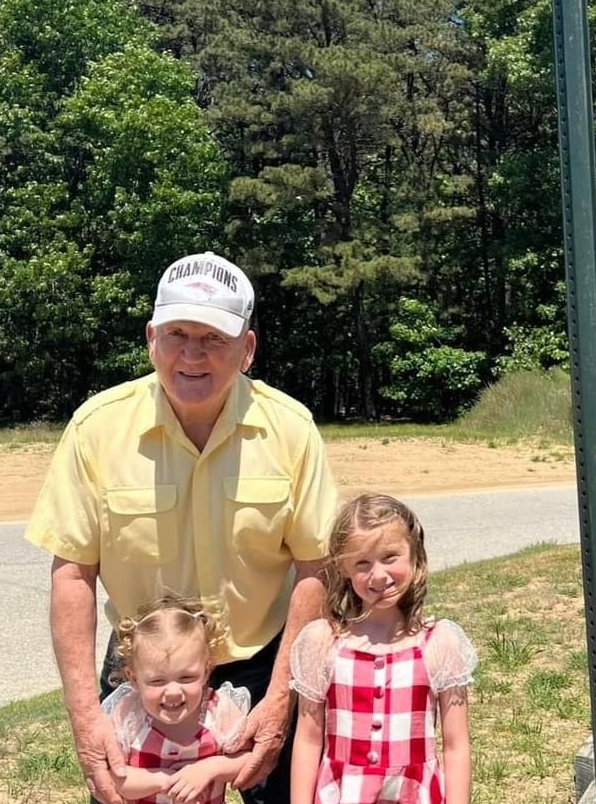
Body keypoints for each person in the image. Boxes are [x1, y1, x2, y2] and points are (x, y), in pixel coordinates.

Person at [26, 250, 338, 804]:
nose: (192, 354)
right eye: (177, 334)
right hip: (140, 670)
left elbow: (315, 567)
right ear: (151, 338)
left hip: (263, 663)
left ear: (247, 349)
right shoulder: (97, 429)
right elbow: (72, 574)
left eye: (214, 338)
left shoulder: (291, 430)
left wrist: (283, 694)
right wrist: (84, 714)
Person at [288, 493, 476, 804]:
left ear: (413, 556)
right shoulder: (322, 642)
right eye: (362, 563)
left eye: (390, 557)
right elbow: (308, 739)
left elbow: (456, 745)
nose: (378, 575)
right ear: (343, 568)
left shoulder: (440, 642)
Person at [102, 594, 250, 803]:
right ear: (133, 679)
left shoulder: (219, 711)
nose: (172, 691)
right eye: (157, 681)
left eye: (186, 677)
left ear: (206, 672)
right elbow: (116, 777)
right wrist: (167, 780)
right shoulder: (128, 715)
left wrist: (210, 768)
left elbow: (248, 760)